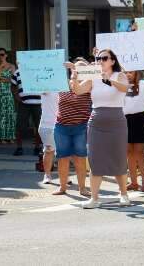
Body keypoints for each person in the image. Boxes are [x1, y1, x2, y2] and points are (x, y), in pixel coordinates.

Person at [72, 49, 131, 209]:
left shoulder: (120, 75)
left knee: (118, 157)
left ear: (112, 61)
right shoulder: (93, 77)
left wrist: (108, 80)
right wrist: (74, 78)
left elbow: (125, 88)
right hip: (97, 120)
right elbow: (78, 91)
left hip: (116, 120)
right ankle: (94, 198)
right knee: (95, 159)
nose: (100, 61)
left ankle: (124, 194)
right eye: (98, 58)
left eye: (104, 58)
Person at [53, 59, 92, 197]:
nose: (77, 70)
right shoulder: (61, 83)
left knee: (80, 158)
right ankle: (62, 187)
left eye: (81, 69)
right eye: (75, 68)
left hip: (80, 127)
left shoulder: (89, 85)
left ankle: (82, 188)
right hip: (61, 126)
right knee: (62, 157)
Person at [12, 64, 42, 156]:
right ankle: (19, 147)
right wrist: (18, 99)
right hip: (23, 103)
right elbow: (13, 87)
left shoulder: (40, 70)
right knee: (19, 126)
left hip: (38, 103)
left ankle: (37, 147)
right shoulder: (17, 72)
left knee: (39, 127)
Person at [0, 48, 16, 143]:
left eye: (3, 54)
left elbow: (13, 79)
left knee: (9, 113)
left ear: (6, 55)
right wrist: (0, 66)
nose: (1, 56)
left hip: (8, 92)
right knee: (0, 115)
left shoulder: (12, 66)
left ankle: (10, 136)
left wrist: (4, 80)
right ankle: (1, 137)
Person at [38, 92, 59, 185]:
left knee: (63, 152)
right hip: (47, 124)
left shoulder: (67, 86)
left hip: (62, 123)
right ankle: (47, 175)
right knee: (48, 150)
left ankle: (64, 176)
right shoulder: (45, 86)